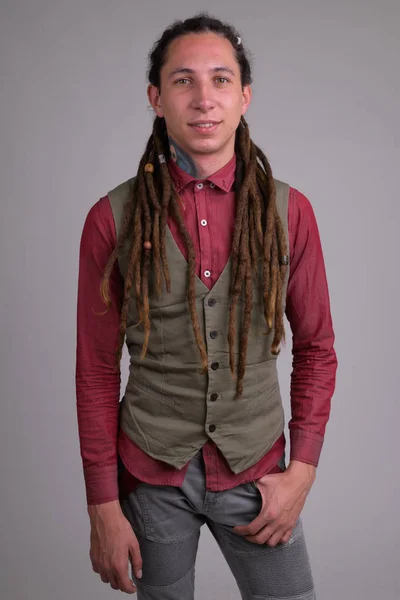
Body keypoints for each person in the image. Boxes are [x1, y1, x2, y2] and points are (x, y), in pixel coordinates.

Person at [76, 13, 337, 600]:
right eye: (182, 80)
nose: (203, 99)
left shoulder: (289, 213)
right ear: (156, 97)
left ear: (244, 96)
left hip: (255, 471)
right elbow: (94, 370)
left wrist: (303, 472)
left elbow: (318, 349)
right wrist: (103, 505)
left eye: (220, 80)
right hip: (149, 475)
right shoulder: (112, 219)